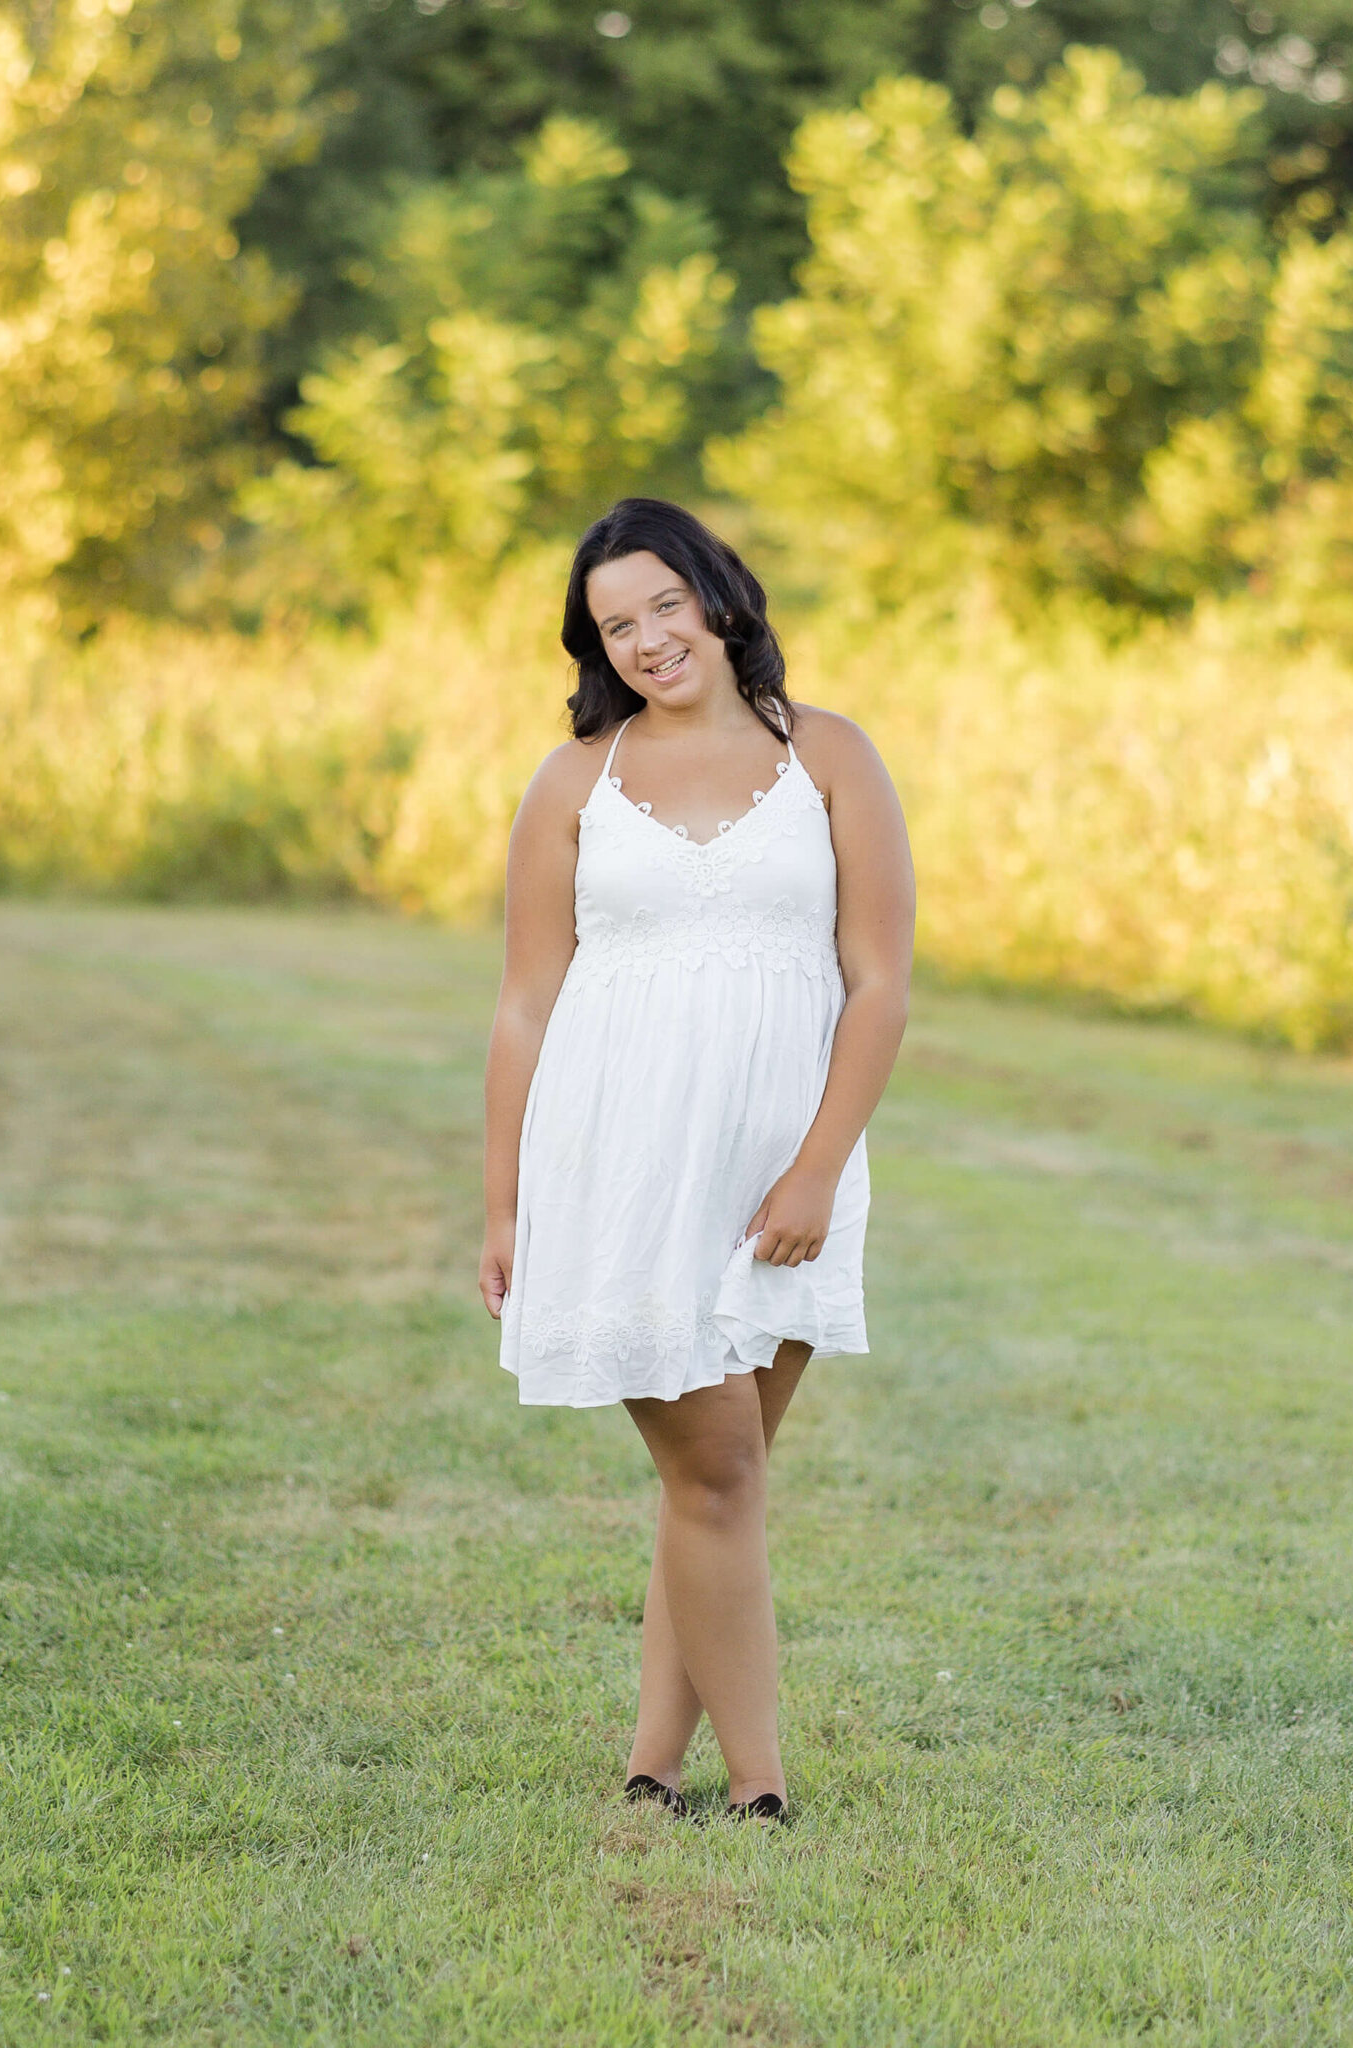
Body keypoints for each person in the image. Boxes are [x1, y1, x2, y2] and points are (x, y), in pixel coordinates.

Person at [478, 498, 916, 1824]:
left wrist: (817, 1171)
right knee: (716, 1472)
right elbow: (523, 1007)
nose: (650, 639)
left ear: (718, 595)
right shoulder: (576, 783)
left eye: (664, 603)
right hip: (619, 1168)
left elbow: (881, 983)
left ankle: (648, 1767)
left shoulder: (830, 757)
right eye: (618, 626)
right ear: (597, 651)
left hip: (783, 1172)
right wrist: (503, 1205)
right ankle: (761, 1784)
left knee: (711, 1484)